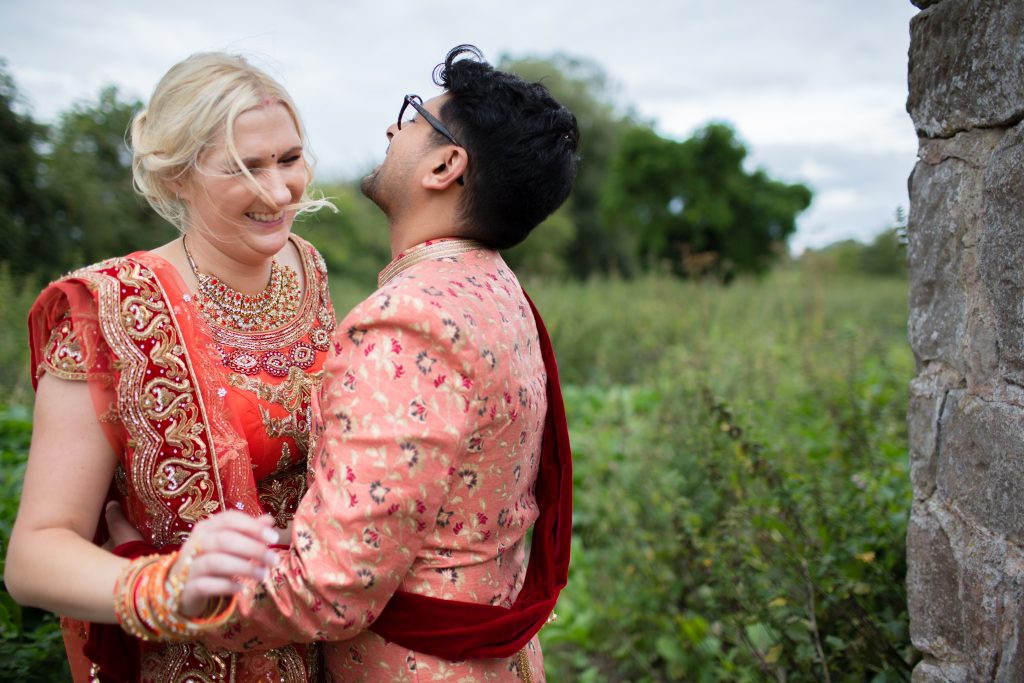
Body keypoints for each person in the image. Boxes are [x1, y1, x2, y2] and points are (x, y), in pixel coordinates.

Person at [150, 43, 578, 682]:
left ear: (445, 165)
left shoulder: (407, 321)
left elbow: (329, 590)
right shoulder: (496, 288)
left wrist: (156, 587)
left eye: (413, 116)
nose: (391, 128)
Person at [4, 52, 336, 682]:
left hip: (325, 641)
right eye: (243, 168)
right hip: (194, 660)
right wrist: (166, 586)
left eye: (289, 159)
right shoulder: (107, 310)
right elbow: (33, 557)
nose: (278, 191)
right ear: (177, 176)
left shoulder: (305, 264)